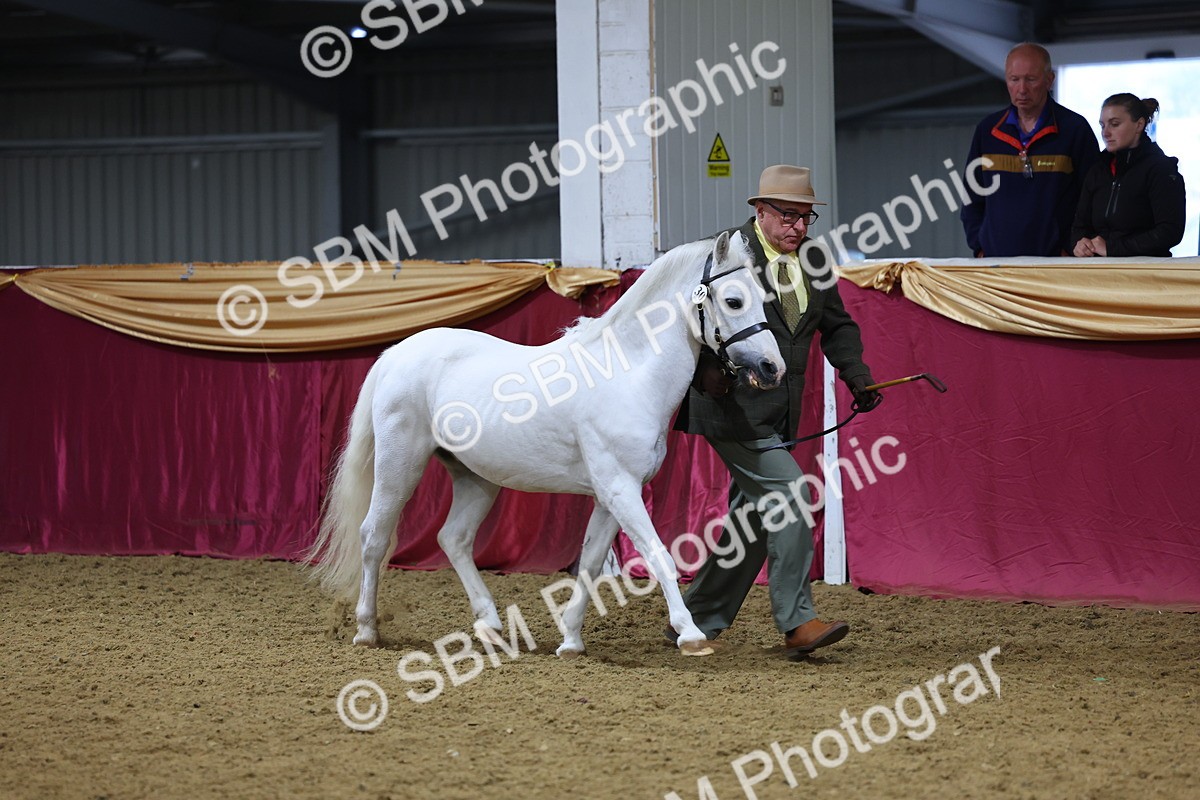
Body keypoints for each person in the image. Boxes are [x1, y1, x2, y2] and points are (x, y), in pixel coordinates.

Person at [669, 164, 881, 658]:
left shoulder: (813, 259)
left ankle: (696, 616)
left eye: (806, 218)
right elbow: (688, 318)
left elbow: (839, 326)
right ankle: (798, 621)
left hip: (782, 412)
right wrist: (704, 371)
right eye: (787, 216)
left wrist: (858, 376)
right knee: (788, 497)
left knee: (756, 520)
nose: (798, 228)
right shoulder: (722, 254)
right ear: (759, 211)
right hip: (730, 409)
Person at [960, 42, 1100, 257]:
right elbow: (972, 197)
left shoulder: (1074, 129)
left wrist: (1070, 247)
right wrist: (980, 247)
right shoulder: (987, 131)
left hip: (1057, 264)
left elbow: (1093, 199)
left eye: (1031, 79)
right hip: (995, 264)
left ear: (1049, 80)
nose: (1022, 89)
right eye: (1014, 79)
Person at [1071, 94, 1186, 257]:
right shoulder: (1098, 170)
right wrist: (1080, 244)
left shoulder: (1161, 169)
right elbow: (1079, 226)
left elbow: (1169, 231)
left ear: (1139, 125)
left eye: (1115, 124)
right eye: (1102, 125)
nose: (1106, 133)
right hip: (1098, 273)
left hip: (1144, 274)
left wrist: (1112, 249)